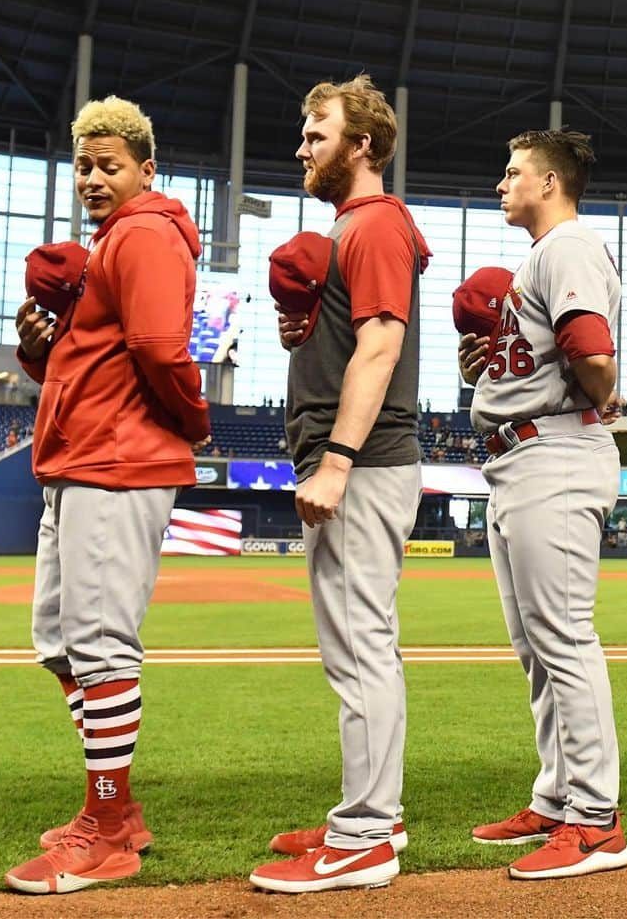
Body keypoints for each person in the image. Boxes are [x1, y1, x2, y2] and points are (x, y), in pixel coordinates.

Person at [6, 96, 211, 894]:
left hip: (117, 461)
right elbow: (95, 363)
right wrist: (39, 354)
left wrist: (192, 418)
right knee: (59, 641)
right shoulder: (109, 243)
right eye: (85, 165)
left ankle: (108, 832)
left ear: (146, 169)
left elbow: (161, 349)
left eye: (110, 164)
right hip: (82, 455)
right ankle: (115, 811)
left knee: (98, 645)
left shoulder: (146, 233)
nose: (93, 177)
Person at [250, 73, 431, 894]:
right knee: (360, 647)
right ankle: (374, 813)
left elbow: (381, 347)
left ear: (361, 145)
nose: (301, 145)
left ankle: (364, 838)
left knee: (360, 651)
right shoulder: (354, 227)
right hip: (353, 461)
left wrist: (336, 460)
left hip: (361, 463)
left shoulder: (373, 226)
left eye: (316, 131)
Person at [457, 128, 627, 880]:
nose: (502, 183)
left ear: (551, 182)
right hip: (521, 456)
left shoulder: (567, 247)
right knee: (537, 649)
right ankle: (559, 795)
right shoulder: (542, 255)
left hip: (555, 451)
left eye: (513, 171)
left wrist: (601, 390)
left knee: (563, 639)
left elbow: (592, 352)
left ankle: (597, 819)